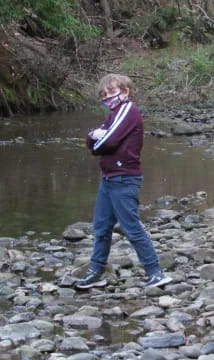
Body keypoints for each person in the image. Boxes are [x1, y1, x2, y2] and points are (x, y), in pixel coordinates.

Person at [75, 74, 172, 289]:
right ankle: (96, 270)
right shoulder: (113, 115)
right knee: (101, 227)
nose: (108, 97)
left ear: (125, 91)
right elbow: (93, 144)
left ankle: (155, 272)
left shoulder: (128, 110)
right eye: (104, 94)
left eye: (111, 92)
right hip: (109, 178)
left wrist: (96, 138)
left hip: (124, 178)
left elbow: (105, 143)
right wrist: (94, 136)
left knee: (131, 227)